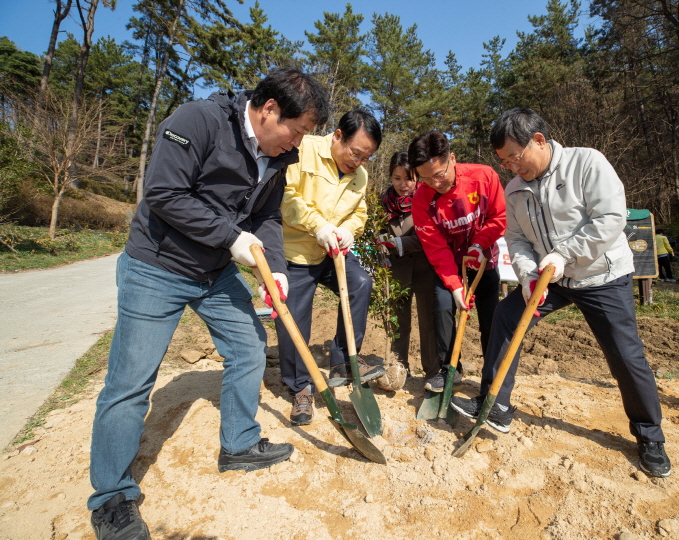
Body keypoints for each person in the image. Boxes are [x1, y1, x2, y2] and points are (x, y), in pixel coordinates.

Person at [88, 68, 330, 540]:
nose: (298, 144)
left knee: (248, 345)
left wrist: (274, 265)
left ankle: (238, 443)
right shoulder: (197, 120)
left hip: (214, 272)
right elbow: (163, 193)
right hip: (157, 266)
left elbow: (265, 217)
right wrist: (231, 238)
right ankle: (111, 497)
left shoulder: (279, 155)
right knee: (131, 382)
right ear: (269, 110)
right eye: (297, 131)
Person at [451, 107, 672, 478]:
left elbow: (610, 218)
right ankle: (496, 405)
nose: (511, 168)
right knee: (507, 317)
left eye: (515, 158)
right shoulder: (516, 189)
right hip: (549, 278)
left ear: (538, 140)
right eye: (504, 162)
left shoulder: (586, 163)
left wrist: (564, 253)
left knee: (624, 354)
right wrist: (524, 273)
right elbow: (517, 239)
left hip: (600, 275)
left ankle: (650, 435)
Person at [275, 108, 384, 426]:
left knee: (361, 283)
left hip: (333, 252)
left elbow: (359, 213)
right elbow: (285, 196)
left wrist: (349, 230)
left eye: (367, 158)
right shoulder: (303, 149)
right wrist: (318, 226)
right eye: (356, 153)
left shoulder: (359, 176)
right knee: (294, 323)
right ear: (338, 136)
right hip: (296, 252)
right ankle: (300, 389)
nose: (359, 162)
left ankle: (343, 362)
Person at [409, 130, 506, 392]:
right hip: (448, 267)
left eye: (439, 174)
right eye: (425, 178)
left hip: (484, 260)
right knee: (441, 308)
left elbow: (499, 218)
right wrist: (454, 285)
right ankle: (449, 368)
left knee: (490, 318)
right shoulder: (421, 200)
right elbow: (435, 247)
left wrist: (478, 244)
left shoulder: (484, 177)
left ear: (452, 158)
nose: (435, 183)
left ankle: (493, 372)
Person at [376, 151, 438, 384]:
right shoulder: (382, 203)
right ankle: (398, 367)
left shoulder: (429, 200)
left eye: (409, 178)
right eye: (397, 178)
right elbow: (374, 234)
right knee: (398, 322)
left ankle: (433, 371)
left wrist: (400, 243)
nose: (403, 185)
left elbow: (433, 235)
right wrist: (380, 252)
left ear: (418, 178)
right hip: (396, 270)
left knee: (428, 321)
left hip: (426, 269)